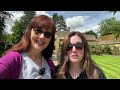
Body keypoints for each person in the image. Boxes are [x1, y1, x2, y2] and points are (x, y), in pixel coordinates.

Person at [0, 15, 56, 79]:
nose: (42, 36)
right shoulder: (13, 59)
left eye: (47, 34)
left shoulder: (49, 64)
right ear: (29, 32)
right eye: (38, 31)